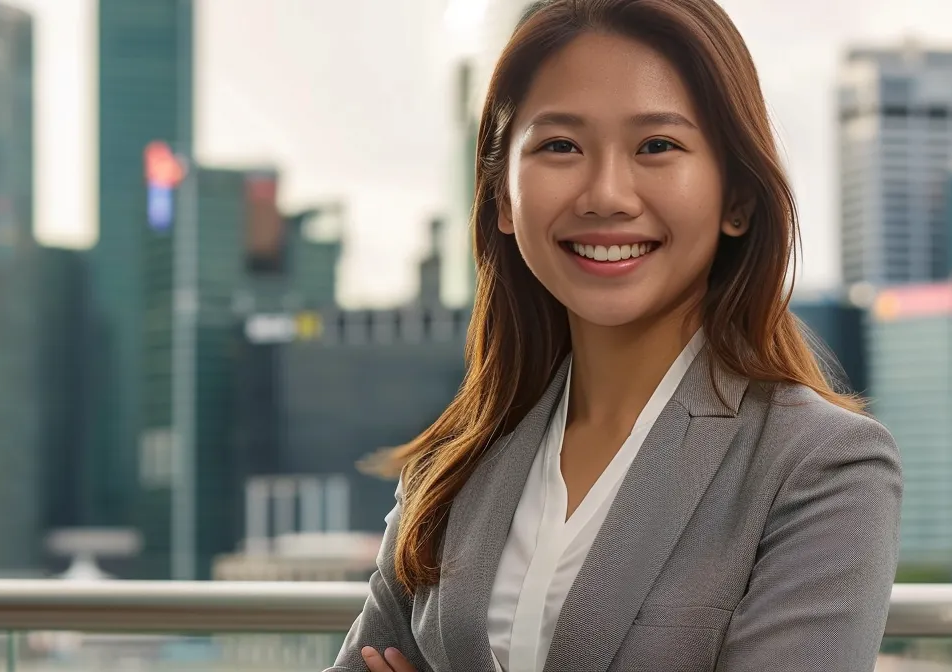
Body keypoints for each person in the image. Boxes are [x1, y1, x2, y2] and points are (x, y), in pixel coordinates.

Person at [330, 1, 901, 670]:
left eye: (657, 146)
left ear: (738, 199)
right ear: (504, 199)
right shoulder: (451, 467)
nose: (606, 194)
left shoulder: (821, 469)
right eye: (560, 146)